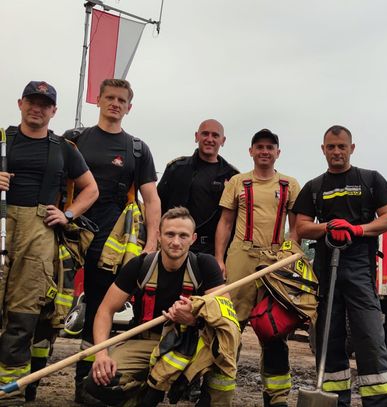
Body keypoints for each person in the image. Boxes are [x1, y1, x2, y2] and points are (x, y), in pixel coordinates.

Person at [0, 81, 99, 405]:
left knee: (23, 314)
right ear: (20, 103)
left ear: (53, 110)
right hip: (3, 226)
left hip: (38, 234)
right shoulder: (3, 140)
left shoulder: (63, 149)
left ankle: (9, 394)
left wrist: (68, 214)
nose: (37, 108)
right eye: (32, 101)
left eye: (45, 103)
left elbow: (91, 189)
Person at [63, 79, 161, 404]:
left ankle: (86, 385)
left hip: (114, 245)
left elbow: (151, 198)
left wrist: (151, 244)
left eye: (122, 99)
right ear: (99, 101)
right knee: (55, 308)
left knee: (99, 312)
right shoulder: (75, 140)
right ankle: (30, 376)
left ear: (129, 107)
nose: (115, 103)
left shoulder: (137, 149)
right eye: (110, 97)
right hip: (72, 238)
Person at [86, 207, 239, 406]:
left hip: (191, 344)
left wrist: (194, 319)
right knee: (97, 382)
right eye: (170, 234)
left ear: (193, 239)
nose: (176, 242)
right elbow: (105, 311)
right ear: (159, 236)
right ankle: (146, 391)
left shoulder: (205, 266)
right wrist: (101, 354)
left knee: (225, 353)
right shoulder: (140, 266)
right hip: (147, 342)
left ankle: (205, 398)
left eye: (183, 236)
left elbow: (227, 319)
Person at [293, 125, 387, 407]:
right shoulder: (314, 187)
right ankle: (334, 401)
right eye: (331, 147)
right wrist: (328, 227)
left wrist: (356, 230)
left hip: (360, 267)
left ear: (352, 148)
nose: (336, 152)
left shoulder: (370, 180)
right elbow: (301, 226)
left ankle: (379, 403)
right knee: (328, 337)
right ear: (323, 149)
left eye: (341, 146)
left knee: (369, 336)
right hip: (326, 271)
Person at [214, 129, 300, 407]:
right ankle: (218, 395)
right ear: (251, 152)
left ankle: (276, 399)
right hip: (241, 256)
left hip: (276, 260)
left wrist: (291, 254)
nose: (264, 151)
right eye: (259, 147)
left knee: (274, 328)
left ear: (278, 152)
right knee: (230, 326)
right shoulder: (238, 182)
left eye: (270, 147)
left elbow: (297, 226)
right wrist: (219, 259)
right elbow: (225, 223)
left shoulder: (290, 184)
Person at [157, 119, 238, 255]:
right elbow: (157, 206)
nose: (209, 139)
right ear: (196, 136)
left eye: (215, 135)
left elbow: (233, 223)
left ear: (223, 140)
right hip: (175, 246)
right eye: (205, 134)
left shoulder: (233, 177)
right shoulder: (177, 168)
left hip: (213, 252)